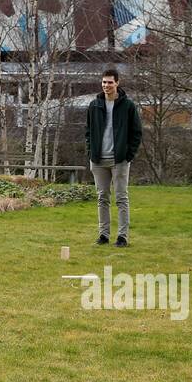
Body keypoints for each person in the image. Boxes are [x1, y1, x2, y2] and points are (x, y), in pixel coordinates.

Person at [85, 67, 142, 247]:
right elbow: (88, 131)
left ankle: (122, 237)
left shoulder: (128, 106)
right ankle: (103, 235)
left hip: (119, 160)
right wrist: (90, 151)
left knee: (121, 198)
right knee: (102, 198)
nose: (106, 85)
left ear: (117, 82)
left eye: (110, 82)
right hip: (98, 161)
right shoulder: (94, 105)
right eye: (104, 82)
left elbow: (137, 133)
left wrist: (128, 155)